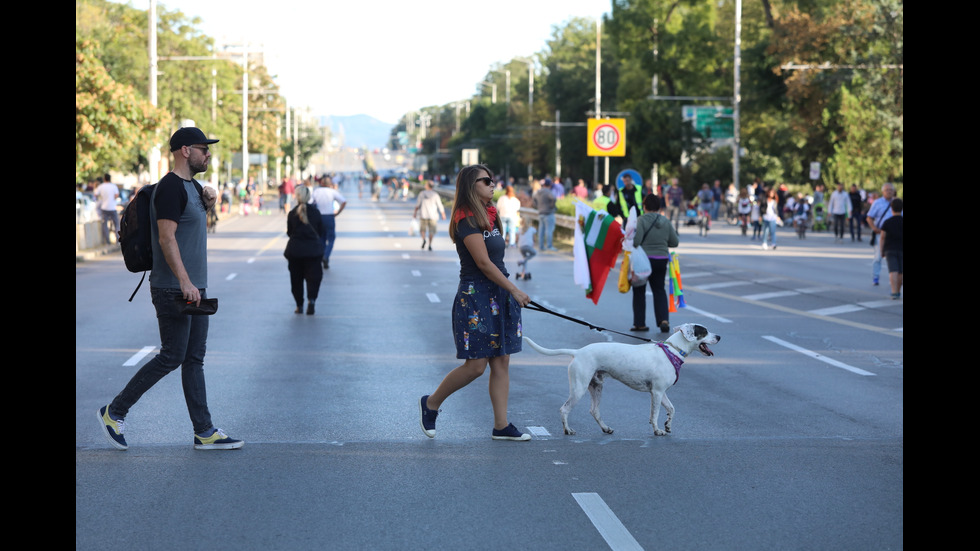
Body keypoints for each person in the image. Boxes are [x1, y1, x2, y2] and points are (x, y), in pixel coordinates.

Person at [97, 127, 242, 451]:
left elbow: (191, 230)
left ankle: (204, 431)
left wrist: (209, 201)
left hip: (195, 288)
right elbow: (166, 238)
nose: (208, 154)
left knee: (194, 359)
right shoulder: (170, 189)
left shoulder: (192, 187)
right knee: (171, 356)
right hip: (173, 288)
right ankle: (114, 412)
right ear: (185, 150)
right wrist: (184, 282)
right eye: (204, 148)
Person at [419, 164, 532, 441]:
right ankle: (431, 403)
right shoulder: (465, 218)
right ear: (472, 186)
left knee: (502, 361)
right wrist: (515, 289)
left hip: (499, 293)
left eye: (493, 180)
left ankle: (501, 425)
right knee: (476, 366)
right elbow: (482, 262)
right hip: (476, 296)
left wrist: (508, 291)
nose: (493, 184)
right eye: (486, 181)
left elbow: (497, 260)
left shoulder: (492, 216)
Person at [630, 194, 680, 333]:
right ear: (658, 207)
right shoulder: (665, 221)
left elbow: (636, 242)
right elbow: (674, 242)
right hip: (661, 259)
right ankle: (663, 320)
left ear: (644, 206)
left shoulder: (641, 220)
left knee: (639, 290)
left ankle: (640, 324)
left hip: (644, 261)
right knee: (659, 290)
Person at [284, 184, 325, 314]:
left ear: (296, 197)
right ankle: (311, 301)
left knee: (296, 280)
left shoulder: (292, 213)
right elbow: (321, 231)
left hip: (295, 252)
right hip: (313, 252)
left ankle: (299, 305)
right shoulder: (316, 213)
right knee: (314, 278)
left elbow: (289, 232)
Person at [310, 177, 347, 269]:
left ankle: (323, 255)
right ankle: (326, 256)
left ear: (321, 183)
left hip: (319, 217)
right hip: (329, 217)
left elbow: (309, 203)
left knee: (321, 238)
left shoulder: (316, 191)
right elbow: (344, 201)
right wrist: (338, 212)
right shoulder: (332, 192)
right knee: (331, 239)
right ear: (330, 184)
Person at [866, 183, 897, 286]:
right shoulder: (877, 203)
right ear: (883, 192)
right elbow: (869, 217)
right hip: (881, 233)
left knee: (895, 257)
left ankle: (894, 278)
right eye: (887, 190)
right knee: (878, 256)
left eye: (891, 190)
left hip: (895, 235)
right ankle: (876, 276)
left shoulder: (897, 203)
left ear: (893, 191)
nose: (889, 191)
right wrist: (874, 228)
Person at [878, 198, 903, 299]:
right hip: (902, 249)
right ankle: (898, 291)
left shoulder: (887, 222)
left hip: (889, 249)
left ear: (891, 208)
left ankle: (894, 292)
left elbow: (882, 237)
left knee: (893, 270)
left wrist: (881, 251)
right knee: (901, 271)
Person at [414, 180, 447, 250]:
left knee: (422, 230)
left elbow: (417, 205)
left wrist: (415, 213)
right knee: (431, 231)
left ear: (427, 186)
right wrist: (443, 214)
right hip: (433, 216)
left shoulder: (422, 194)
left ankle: (424, 240)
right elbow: (440, 205)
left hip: (423, 214)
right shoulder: (435, 195)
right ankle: (430, 244)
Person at [531, 179, 557, 251]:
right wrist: (552, 206)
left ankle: (541, 246)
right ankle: (549, 246)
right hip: (548, 213)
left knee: (541, 230)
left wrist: (537, 206)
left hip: (540, 213)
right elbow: (553, 198)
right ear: (549, 185)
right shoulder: (548, 192)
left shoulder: (538, 192)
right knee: (549, 230)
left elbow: (534, 200)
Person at [95, 174, 120, 245]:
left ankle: (107, 241)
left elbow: (95, 194)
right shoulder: (113, 186)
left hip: (104, 208)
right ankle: (118, 240)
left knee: (104, 224)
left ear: (104, 179)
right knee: (116, 224)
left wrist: (102, 197)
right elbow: (116, 195)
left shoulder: (101, 186)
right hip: (112, 208)